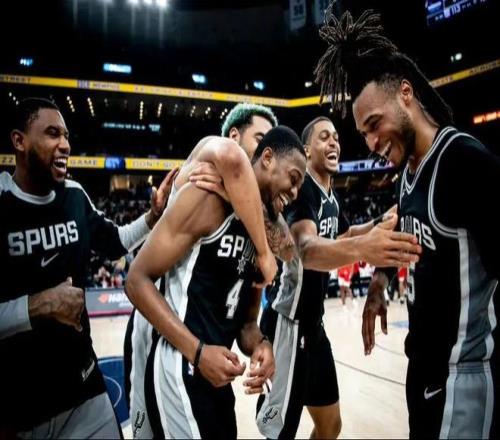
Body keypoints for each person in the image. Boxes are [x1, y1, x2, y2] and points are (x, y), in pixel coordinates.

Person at [314, 7, 500, 438]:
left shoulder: (463, 162)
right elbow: (401, 231)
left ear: (406, 94)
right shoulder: (408, 175)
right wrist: (379, 283)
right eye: (363, 134)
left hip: (464, 377)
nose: (372, 142)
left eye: (374, 125)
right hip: (424, 373)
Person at [0, 97, 176, 438]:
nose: (65, 145)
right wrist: (35, 306)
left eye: (66, 135)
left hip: (83, 389)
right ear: (19, 141)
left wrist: (153, 216)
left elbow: (117, 241)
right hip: (16, 406)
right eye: (52, 133)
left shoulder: (75, 196)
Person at [125, 126, 307, 438]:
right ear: (266, 158)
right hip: (180, 368)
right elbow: (136, 281)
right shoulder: (206, 196)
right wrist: (197, 353)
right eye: (293, 179)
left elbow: (246, 324)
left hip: (216, 379)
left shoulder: (264, 233)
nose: (295, 193)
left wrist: (261, 345)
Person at [256, 116, 421, 439]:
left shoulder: (330, 197)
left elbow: (345, 235)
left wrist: (381, 220)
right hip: (286, 325)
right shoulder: (303, 190)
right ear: (306, 150)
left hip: (313, 327)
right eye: (324, 137)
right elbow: (306, 248)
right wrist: (364, 248)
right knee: (279, 432)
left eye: (335, 137)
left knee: (330, 426)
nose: (334, 142)